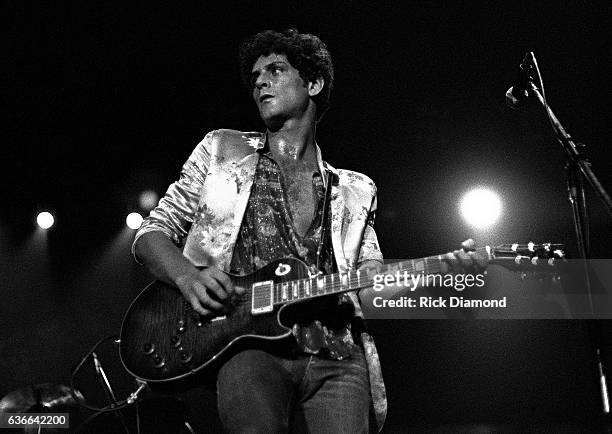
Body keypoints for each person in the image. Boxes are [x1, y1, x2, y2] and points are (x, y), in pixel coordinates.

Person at [132, 28, 483, 433]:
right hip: (247, 345)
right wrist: (187, 276)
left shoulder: (356, 190)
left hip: (337, 353)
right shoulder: (222, 149)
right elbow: (151, 232)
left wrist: (439, 268)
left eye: (276, 70)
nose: (260, 81)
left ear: (313, 83)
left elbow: (368, 285)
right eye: (256, 76)